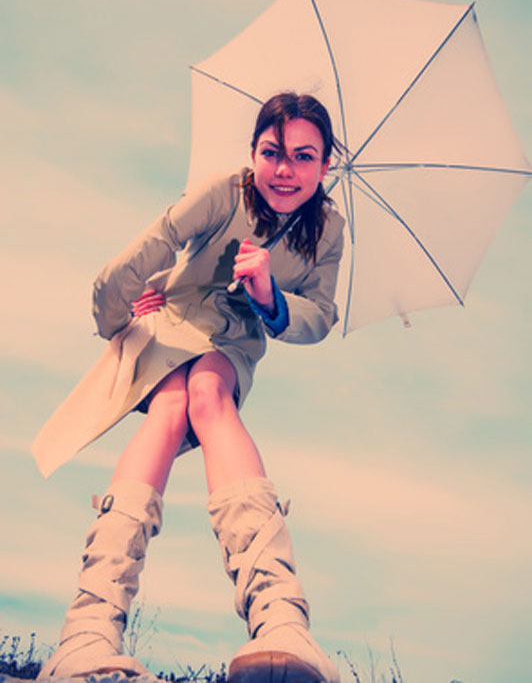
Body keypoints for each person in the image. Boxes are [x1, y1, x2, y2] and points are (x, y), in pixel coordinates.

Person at [37, 93, 345, 683]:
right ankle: (89, 631)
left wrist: (268, 298)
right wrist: (119, 316)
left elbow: (320, 317)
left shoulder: (327, 231)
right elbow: (148, 247)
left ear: (325, 164)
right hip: (169, 319)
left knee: (208, 392)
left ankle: (281, 621)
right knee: (173, 404)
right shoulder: (223, 191)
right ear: (254, 152)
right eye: (272, 152)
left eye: (304, 157)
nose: (285, 170)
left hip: (235, 339)